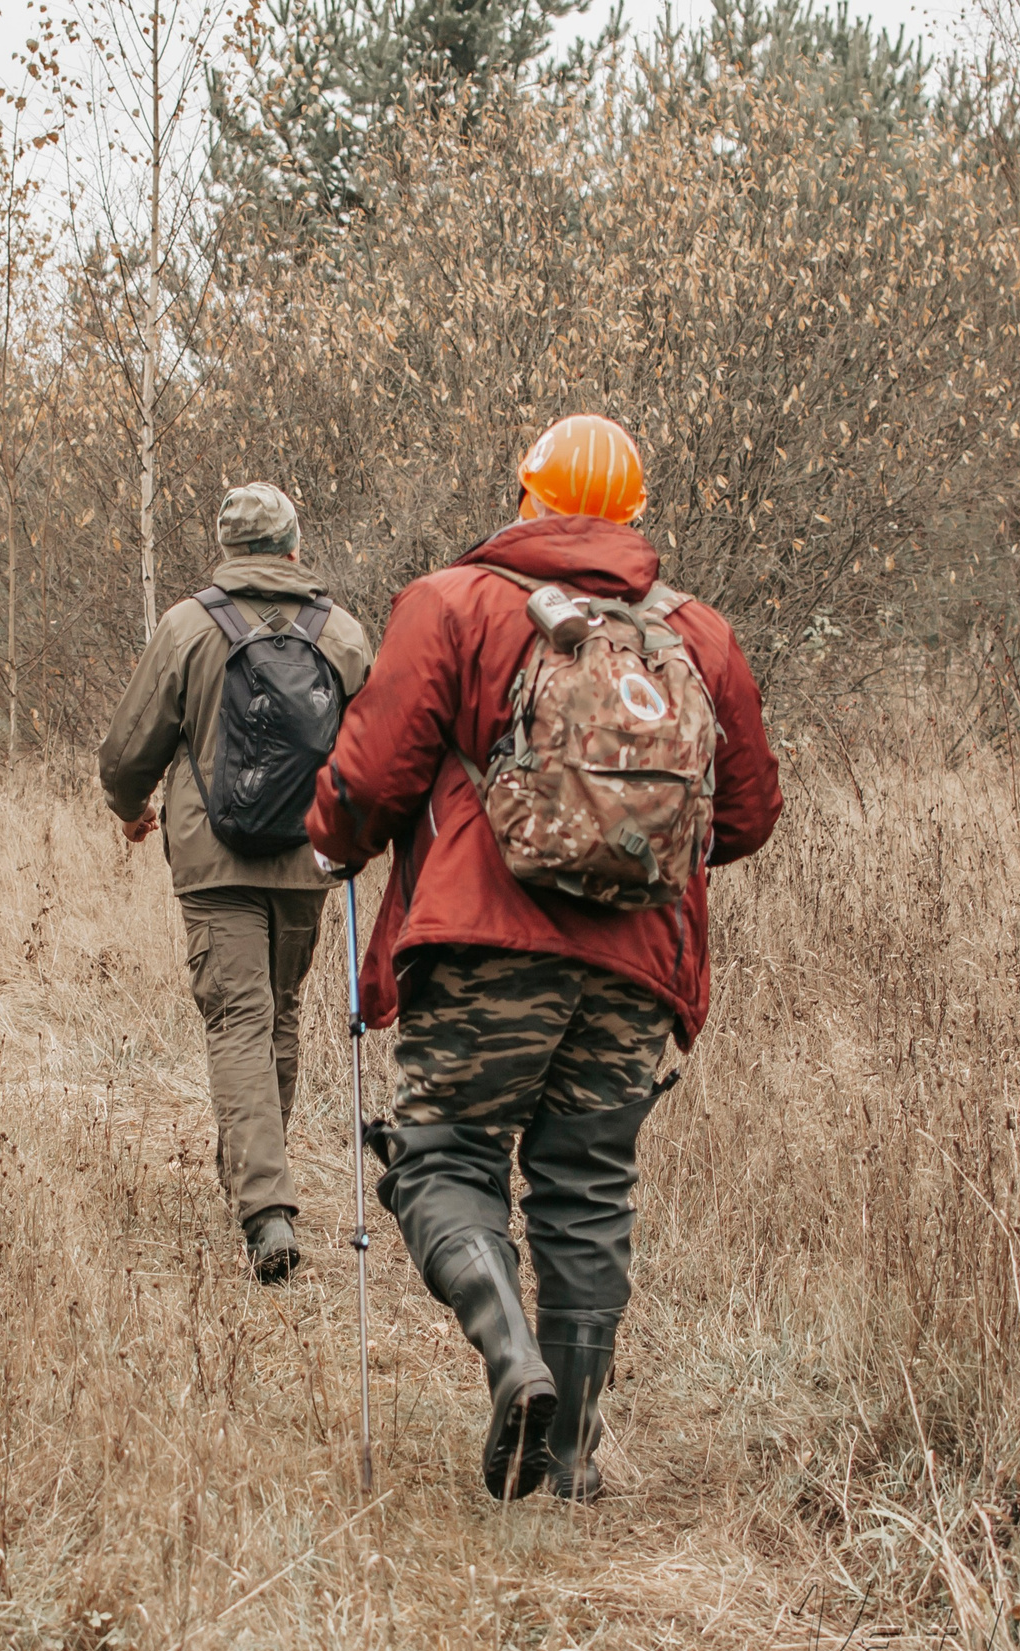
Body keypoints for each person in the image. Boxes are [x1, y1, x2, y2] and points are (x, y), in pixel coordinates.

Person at [305, 415, 782, 1500]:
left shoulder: (453, 605)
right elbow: (746, 814)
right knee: (586, 1192)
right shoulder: (694, 634)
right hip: (635, 967)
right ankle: (566, 1460)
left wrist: (330, 836)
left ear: (525, 496)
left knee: (442, 1158)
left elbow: (372, 778)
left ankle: (510, 1357)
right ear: (633, 512)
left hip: (480, 946)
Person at [99, 483, 374, 1283]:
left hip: (213, 861)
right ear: (294, 548)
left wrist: (130, 808)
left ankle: (265, 1210)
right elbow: (380, 751)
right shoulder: (344, 633)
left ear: (227, 550)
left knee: (239, 1022)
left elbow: (126, 751)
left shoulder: (190, 624)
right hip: (307, 861)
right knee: (277, 1017)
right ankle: (259, 1188)